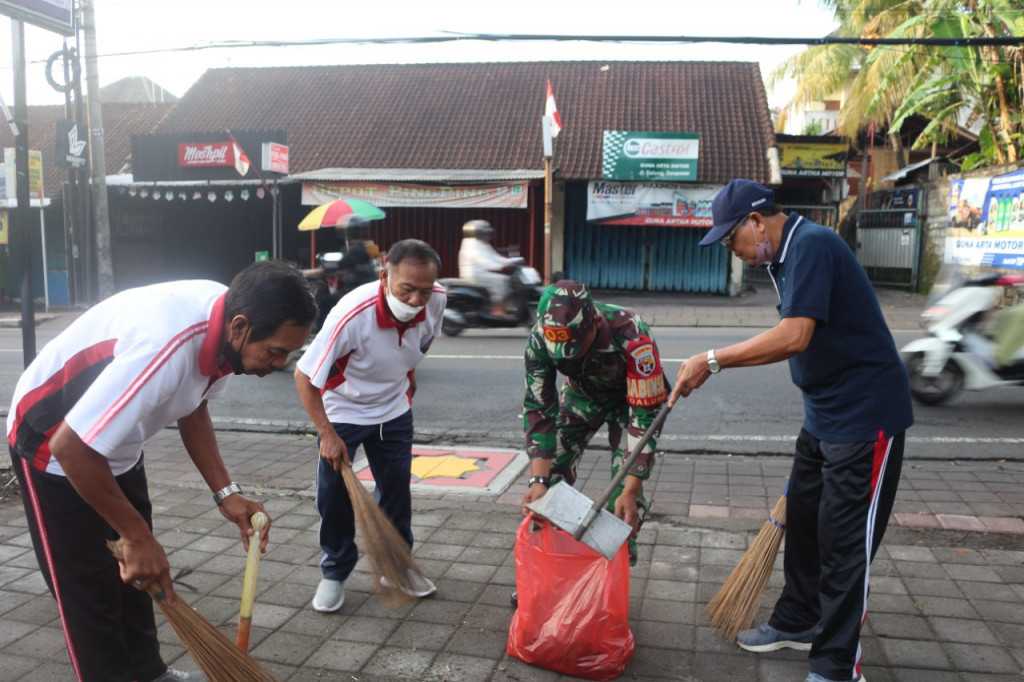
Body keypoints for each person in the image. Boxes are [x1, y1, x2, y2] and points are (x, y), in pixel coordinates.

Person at [7, 260, 317, 682]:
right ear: (241, 328)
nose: (278, 363)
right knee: (92, 596)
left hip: (114, 444)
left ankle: (150, 673)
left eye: (289, 353)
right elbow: (72, 448)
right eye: (276, 351)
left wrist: (226, 493)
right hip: (51, 443)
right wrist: (136, 536)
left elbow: (194, 407)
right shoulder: (166, 344)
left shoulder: (226, 324)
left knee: (141, 580)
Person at [667, 179, 913, 682]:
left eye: (731, 239)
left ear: (756, 221)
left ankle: (837, 667)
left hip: (866, 419)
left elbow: (794, 336)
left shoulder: (812, 245)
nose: (733, 252)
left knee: (845, 547)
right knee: (803, 524)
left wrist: (710, 360)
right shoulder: (782, 258)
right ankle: (798, 620)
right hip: (824, 416)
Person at [295, 239, 446, 612]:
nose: (415, 300)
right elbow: (304, 376)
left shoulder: (437, 299)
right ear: (385, 277)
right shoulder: (352, 314)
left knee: (396, 492)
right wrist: (328, 435)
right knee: (335, 498)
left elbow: (422, 342)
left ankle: (396, 568)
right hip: (343, 412)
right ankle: (334, 572)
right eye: (406, 289)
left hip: (393, 411)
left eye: (424, 291)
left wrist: (406, 374)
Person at [521, 279, 668, 566]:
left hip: (631, 402)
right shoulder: (541, 337)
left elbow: (644, 417)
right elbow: (539, 407)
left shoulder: (631, 333)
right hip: (581, 397)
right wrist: (538, 480)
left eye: (576, 347)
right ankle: (552, 563)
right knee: (545, 484)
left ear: (596, 323)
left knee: (623, 499)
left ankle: (616, 570)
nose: (570, 356)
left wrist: (630, 490)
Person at [458, 219, 522, 318]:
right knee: (502, 281)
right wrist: (500, 266)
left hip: (482, 273)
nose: (487, 236)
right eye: (485, 233)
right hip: (474, 275)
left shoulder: (481, 243)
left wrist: (514, 260)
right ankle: (497, 310)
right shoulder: (471, 245)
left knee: (507, 281)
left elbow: (495, 257)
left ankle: (504, 307)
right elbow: (483, 261)